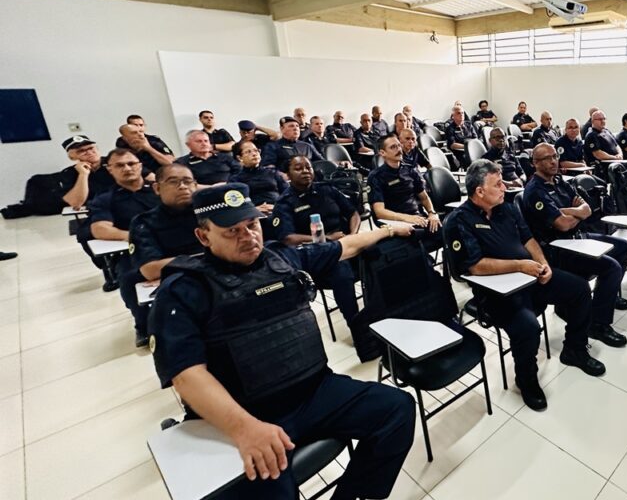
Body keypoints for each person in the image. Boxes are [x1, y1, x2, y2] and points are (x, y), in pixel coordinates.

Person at [148, 183, 415, 500]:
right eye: (232, 231)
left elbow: (345, 247)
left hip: (314, 391)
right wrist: (244, 428)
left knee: (397, 409)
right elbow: (186, 374)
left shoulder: (281, 259)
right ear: (203, 237)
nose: (248, 237)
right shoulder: (182, 291)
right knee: (273, 487)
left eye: (252, 225)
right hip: (246, 411)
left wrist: (389, 232)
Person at [443, 160, 606, 412]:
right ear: (479, 192)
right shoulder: (458, 221)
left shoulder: (506, 208)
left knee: (579, 290)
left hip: (530, 277)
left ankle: (574, 348)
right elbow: (474, 266)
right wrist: (520, 265)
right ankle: (526, 379)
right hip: (497, 293)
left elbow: (528, 239)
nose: (504, 187)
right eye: (497, 184)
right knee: (528, 327)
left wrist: (542, 263)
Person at [524, 143, 627, 345]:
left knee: (622, 247)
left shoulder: (559, 181)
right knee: (611, 267)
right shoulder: (534, 192)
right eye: (547, 158)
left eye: (555, 156)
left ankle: (605, 297)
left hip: (579, 237)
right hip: (558, 248)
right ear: (535, 163)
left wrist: (566, 211)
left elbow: (587, 208)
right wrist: (574, 214)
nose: (553, 161)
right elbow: (562, 226)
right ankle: (598, 324)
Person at [88, 149, 160, 346]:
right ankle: (143, 325)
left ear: (140, 166)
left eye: (131, 163)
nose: (127, 168)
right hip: (136, 250)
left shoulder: (159, 189)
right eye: (120, 165)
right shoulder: (105, 199)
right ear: (109, 170)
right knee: (129, 278)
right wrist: (134, 236)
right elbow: (100, 228)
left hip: (172, 243)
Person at [127, 164, 203, 342]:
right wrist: (206, 259)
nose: (183, 186)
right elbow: (150, 269)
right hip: (178, 282)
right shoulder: (144, 222)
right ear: (157, 188)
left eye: (187, 181)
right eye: (173, 182)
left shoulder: (210, 213)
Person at [367, 135, 443, 251]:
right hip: (395, 223)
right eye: (393, 147)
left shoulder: (410, 170)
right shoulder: (376, 177)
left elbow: (424, 197)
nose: (399, 149)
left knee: (450, 230)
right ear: (383, 153)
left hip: (418, 218)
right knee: (419, 240)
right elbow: (379, 212)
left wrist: (432, 213)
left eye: (398, 145)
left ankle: (451, 268)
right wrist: (407, 218)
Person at [273, 156, 360, 247]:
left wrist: (352, 235)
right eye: (298, 168)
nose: (305, 171)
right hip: (314, 248)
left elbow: (353, 213)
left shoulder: (326, 189)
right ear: (288, 175)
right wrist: (327, 238)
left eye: (308, 167)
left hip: (345, 239)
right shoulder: (284, 202)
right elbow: (288, 238)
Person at [229, 140, 288, 215]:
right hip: (251, 215)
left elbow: (287, 194)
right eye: (248, 152)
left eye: (256, 150)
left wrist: (277, 207)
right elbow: (236, 204)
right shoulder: (235, 180)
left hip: (278, 211)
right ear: (239, 158)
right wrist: (254, 210)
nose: (254, 154)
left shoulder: (272, 173)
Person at [59, 135, 116, 209]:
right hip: (95, 210)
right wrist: (83, 175)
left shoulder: (115, 163)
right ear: (72, 157)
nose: (89, 152)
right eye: (81, 151)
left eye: (91, 148)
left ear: (97, 149)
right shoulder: (68, 173)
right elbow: (75, 203)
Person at [175, 130, 241, 188]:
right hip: (202, 194)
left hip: (231, 189)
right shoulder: (181, 163)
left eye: (206, 141)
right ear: (188, 145)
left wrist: (228, 183)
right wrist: (212, 187)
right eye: (199, 141)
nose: (204, 144)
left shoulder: (224, 157)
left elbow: (240, 173)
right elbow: (185, 183)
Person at [445, 106, 477, 170]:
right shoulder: (450, 128)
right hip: (459, 152)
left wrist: (472, 147)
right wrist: (467, 147)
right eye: (459, 113)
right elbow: (452, 145)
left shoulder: (469, 125)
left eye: (462, 113)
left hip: (472, 149)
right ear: (453, 116)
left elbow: (475, 138)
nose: (461, 115)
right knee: (470, 161)